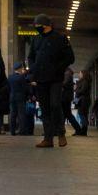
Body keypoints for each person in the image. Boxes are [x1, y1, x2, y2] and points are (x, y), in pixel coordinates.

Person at [27, 13, 75, 148]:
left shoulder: (60, 38)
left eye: (39, 25)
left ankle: (60, 133)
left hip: (55, 78)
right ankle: (48, 138)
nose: (37, 28)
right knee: (44, 108)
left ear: (46, 25)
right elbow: (31, 57)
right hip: (40, 78)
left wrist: (58, 68)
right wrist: (33, 69)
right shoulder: (36, 39)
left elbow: (70, 57)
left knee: (55, 104)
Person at [8, 63, 31, 135]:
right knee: (21, 114)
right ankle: (22, 130)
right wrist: (28, 95)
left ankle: (12, 131)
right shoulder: (21, 77)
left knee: (13, 114)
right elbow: (25, 88)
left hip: (12, 97)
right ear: (19, 69)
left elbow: (8, 88)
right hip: (20, 98)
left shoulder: (10, 77)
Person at [62, 67, 86, 137]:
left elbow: (65, 84)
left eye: (80, 73)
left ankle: (60, 130)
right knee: (67, 115)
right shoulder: (68, 74)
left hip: (65, 98)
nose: (79, 74)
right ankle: (61, 130)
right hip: (66, 98)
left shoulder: (67, 74)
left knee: (67, 115)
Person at [73, 70, 92, 136]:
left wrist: (75, 89)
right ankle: (84, 131)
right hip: (83, 100)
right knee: (84, 114)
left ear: (84, 74)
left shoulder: (85, 81)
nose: (79, 74)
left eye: (80, 73)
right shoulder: (84, 81)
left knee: (81, 114)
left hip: (83, 100)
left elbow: (82, 90)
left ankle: (84, 127)